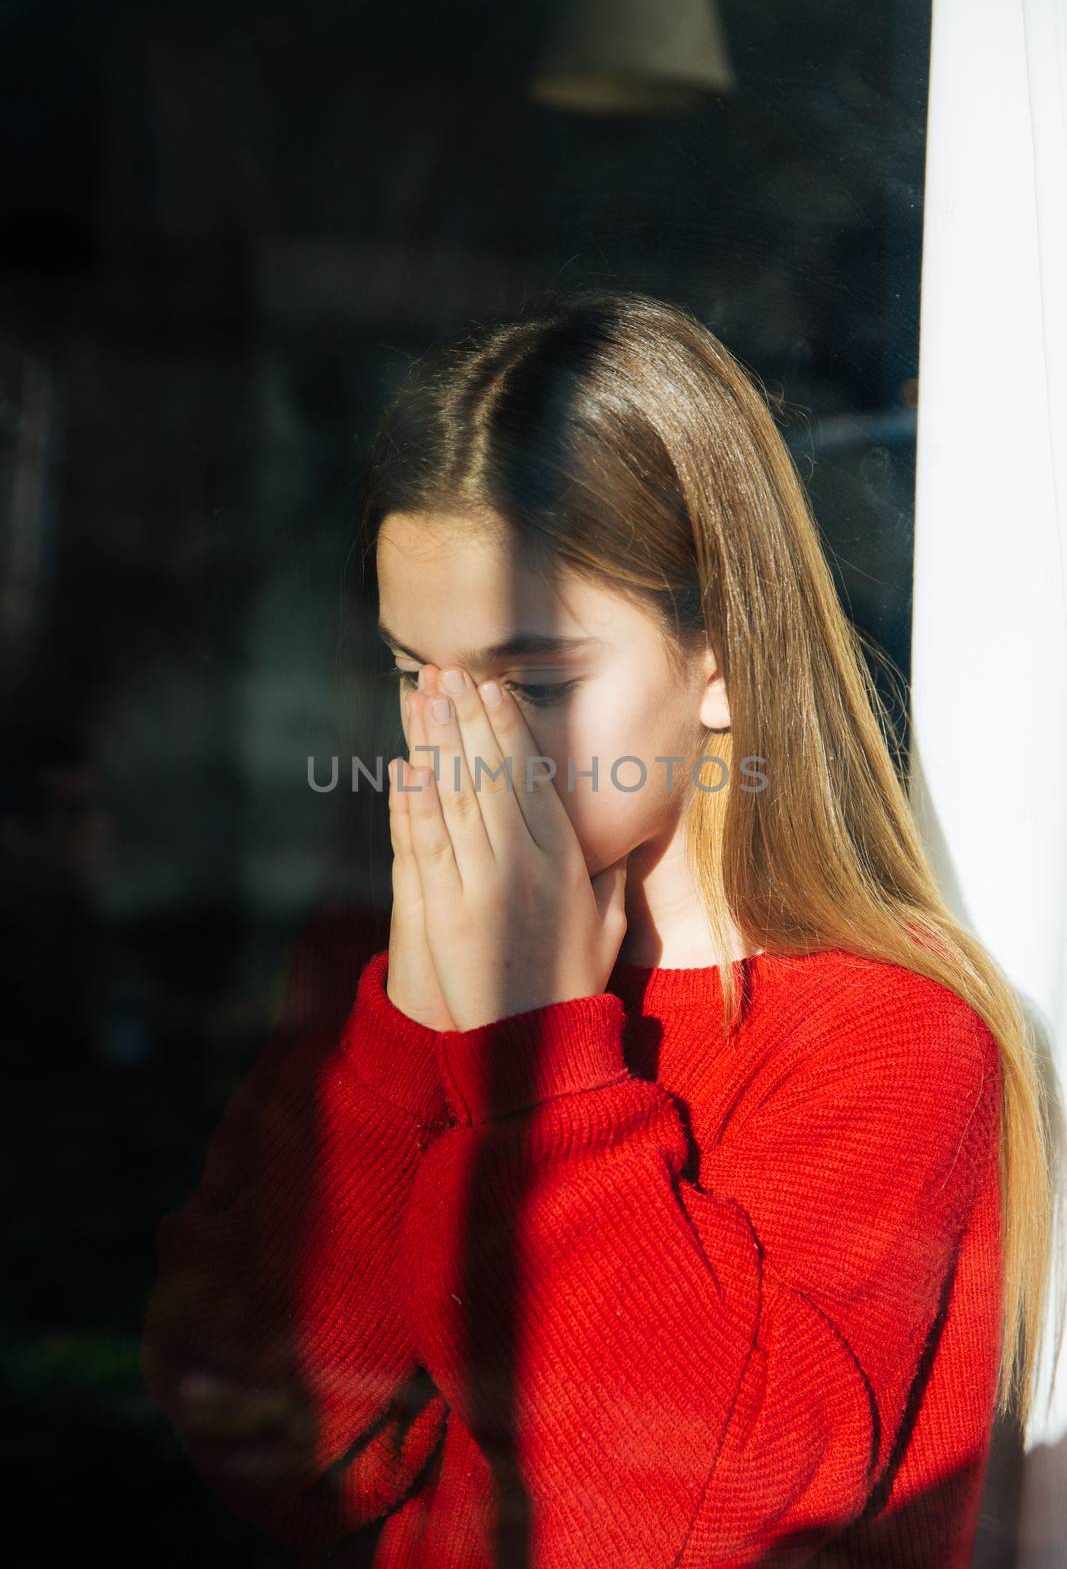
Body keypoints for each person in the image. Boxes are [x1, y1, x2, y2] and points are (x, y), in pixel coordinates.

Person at [141, 289, 1060, 1566]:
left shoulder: (886, 1042)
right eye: (418, 674)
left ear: (723, 651)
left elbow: (675, 1513)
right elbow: (280, 1439)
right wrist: (414, 1025)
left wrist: (533, 1048)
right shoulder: (388, 992)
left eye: (539, 681)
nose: (464, 740)